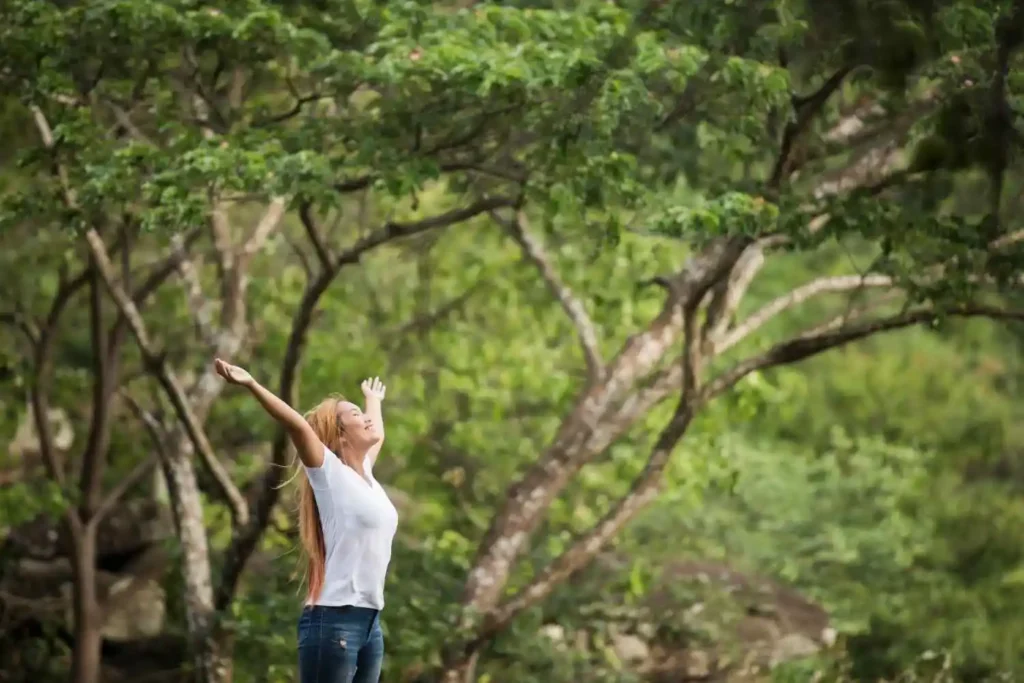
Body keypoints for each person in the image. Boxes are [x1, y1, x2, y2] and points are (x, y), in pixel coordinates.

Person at [214, 358, 398, 683]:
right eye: (356, 415)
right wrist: (251, 384)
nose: (367, 419)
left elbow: (378, 434)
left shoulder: (366, 475)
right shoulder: (329, 474)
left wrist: (373, 400)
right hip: (335, 622)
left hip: (371, 624)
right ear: (340, 437)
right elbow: (298, 426)